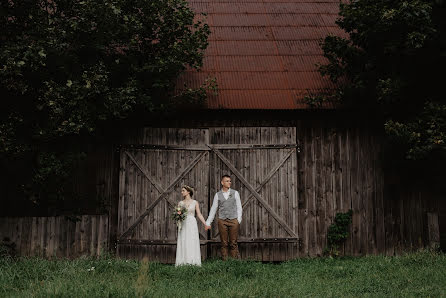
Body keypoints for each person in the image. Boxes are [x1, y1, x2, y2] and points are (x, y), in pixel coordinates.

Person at [205, 175, 243, 260]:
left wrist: (238, 220)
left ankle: (234, 262)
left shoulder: (235, 193)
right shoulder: (217, 195)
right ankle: (225, 262)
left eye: (230, 181)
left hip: (234, 220)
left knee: (233, 243)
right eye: (227, 181)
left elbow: (239, 207)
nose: (229, 182)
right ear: (222, 182)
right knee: (224, 243)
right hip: (222, 221)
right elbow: (213, 209)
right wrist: (208, 222)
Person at [175, 185, 207, 267]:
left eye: (183, 191)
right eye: (182, 191)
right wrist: (178, 217)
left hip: (192, 223)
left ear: (188, 191)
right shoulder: (180, 203)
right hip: (183, 223)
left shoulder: (195, 202)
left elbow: (199, 214)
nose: (182, 192)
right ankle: (183, 262)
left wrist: (205, 223)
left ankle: (193, 261)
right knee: (184, 240)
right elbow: (177, 214)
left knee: (192, 240)